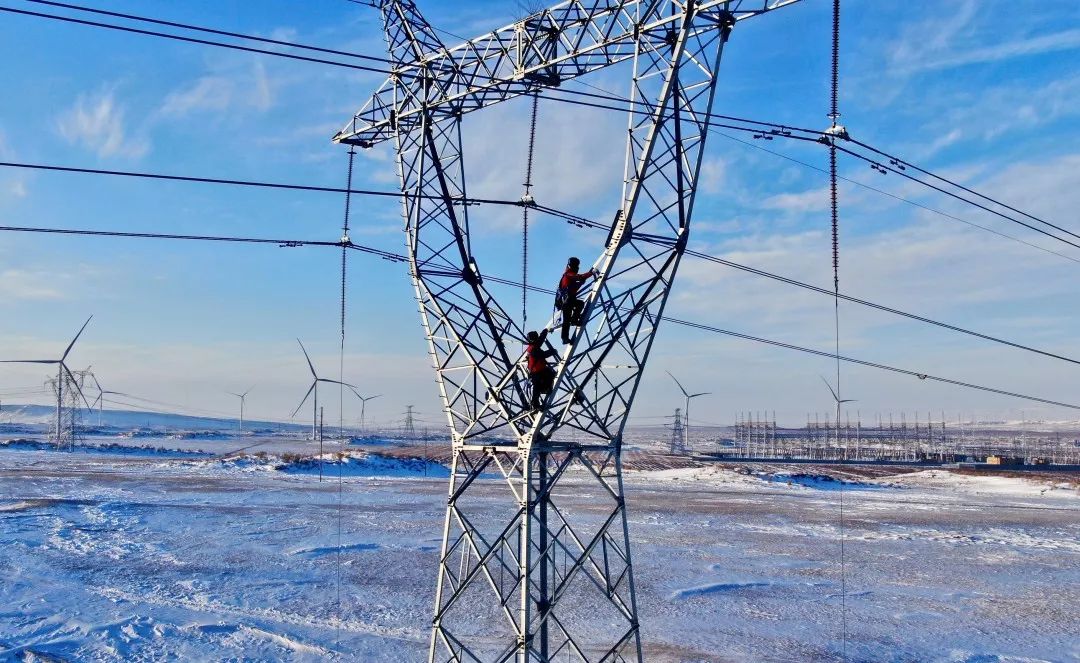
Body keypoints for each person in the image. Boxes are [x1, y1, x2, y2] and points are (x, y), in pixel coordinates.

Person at [557, 256, 595, 344]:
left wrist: (581, 283)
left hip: (568, 299)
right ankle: (566, 336)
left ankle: (573, 322)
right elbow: (579, 277)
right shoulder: (568, 274)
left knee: (579, 304)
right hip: (567, 300)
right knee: (567, 319)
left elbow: (572, 288)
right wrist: (591, 273)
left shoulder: (568, 275)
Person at [526, 329, 559, 410]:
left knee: (550, 375)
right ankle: (536, 404)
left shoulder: (534, 346)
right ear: (535, 339)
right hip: (536, 372)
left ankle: (546, 389)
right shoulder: (534, 349)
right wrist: (552, 351)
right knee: (537, 388)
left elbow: (541, 339)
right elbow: (543, 355)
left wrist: (545, 332)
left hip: (539, 370)